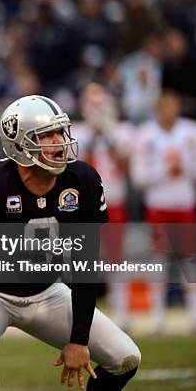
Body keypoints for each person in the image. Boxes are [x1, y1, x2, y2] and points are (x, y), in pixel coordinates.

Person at [0, 95, 140, 390]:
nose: (59, 142)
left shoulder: (82, 180)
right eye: (46, 135)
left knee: (126, 357)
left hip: (48, 291)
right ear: (18, 145)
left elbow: (85, 266)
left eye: (60, 132)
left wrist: (78, 340)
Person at [130, 90, 196, 333]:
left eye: (172, 106)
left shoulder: (192, 131)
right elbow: (139, 178)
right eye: (164, 107)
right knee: (159, 264)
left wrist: (183, 165)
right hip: (158, 206)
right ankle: (158, 318)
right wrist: (165, 169)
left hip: (183, 204)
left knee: (189, 263)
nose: (168, 112)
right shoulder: (145, 134)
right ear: (157, 110)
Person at [73, 83, 135, 330]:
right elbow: (75, 171)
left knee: (116, 259)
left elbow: (125, 168)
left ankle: (122, 312)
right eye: (92, 105)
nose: (97, 111)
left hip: (114, 200)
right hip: (85, 204)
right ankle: (85, 315)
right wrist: (91, 142)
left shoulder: (121, 131)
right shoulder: (76, 132)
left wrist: (107, 140)